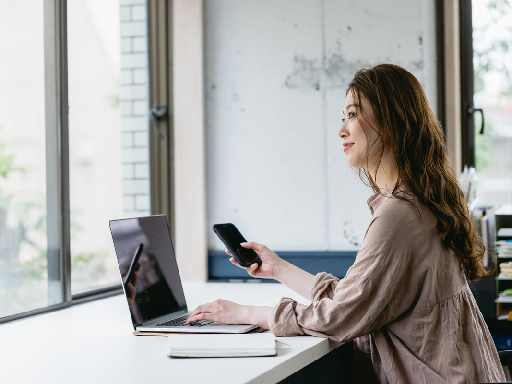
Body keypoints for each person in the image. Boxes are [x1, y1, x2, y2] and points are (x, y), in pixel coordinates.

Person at [186, 64, 506, 383]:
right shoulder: (422, 200)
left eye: (352, 115)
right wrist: (277, 268)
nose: (342, 130)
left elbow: (341, 317)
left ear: (391, 121)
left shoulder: (399, 214)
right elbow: (360, 298)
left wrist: (243, 314)